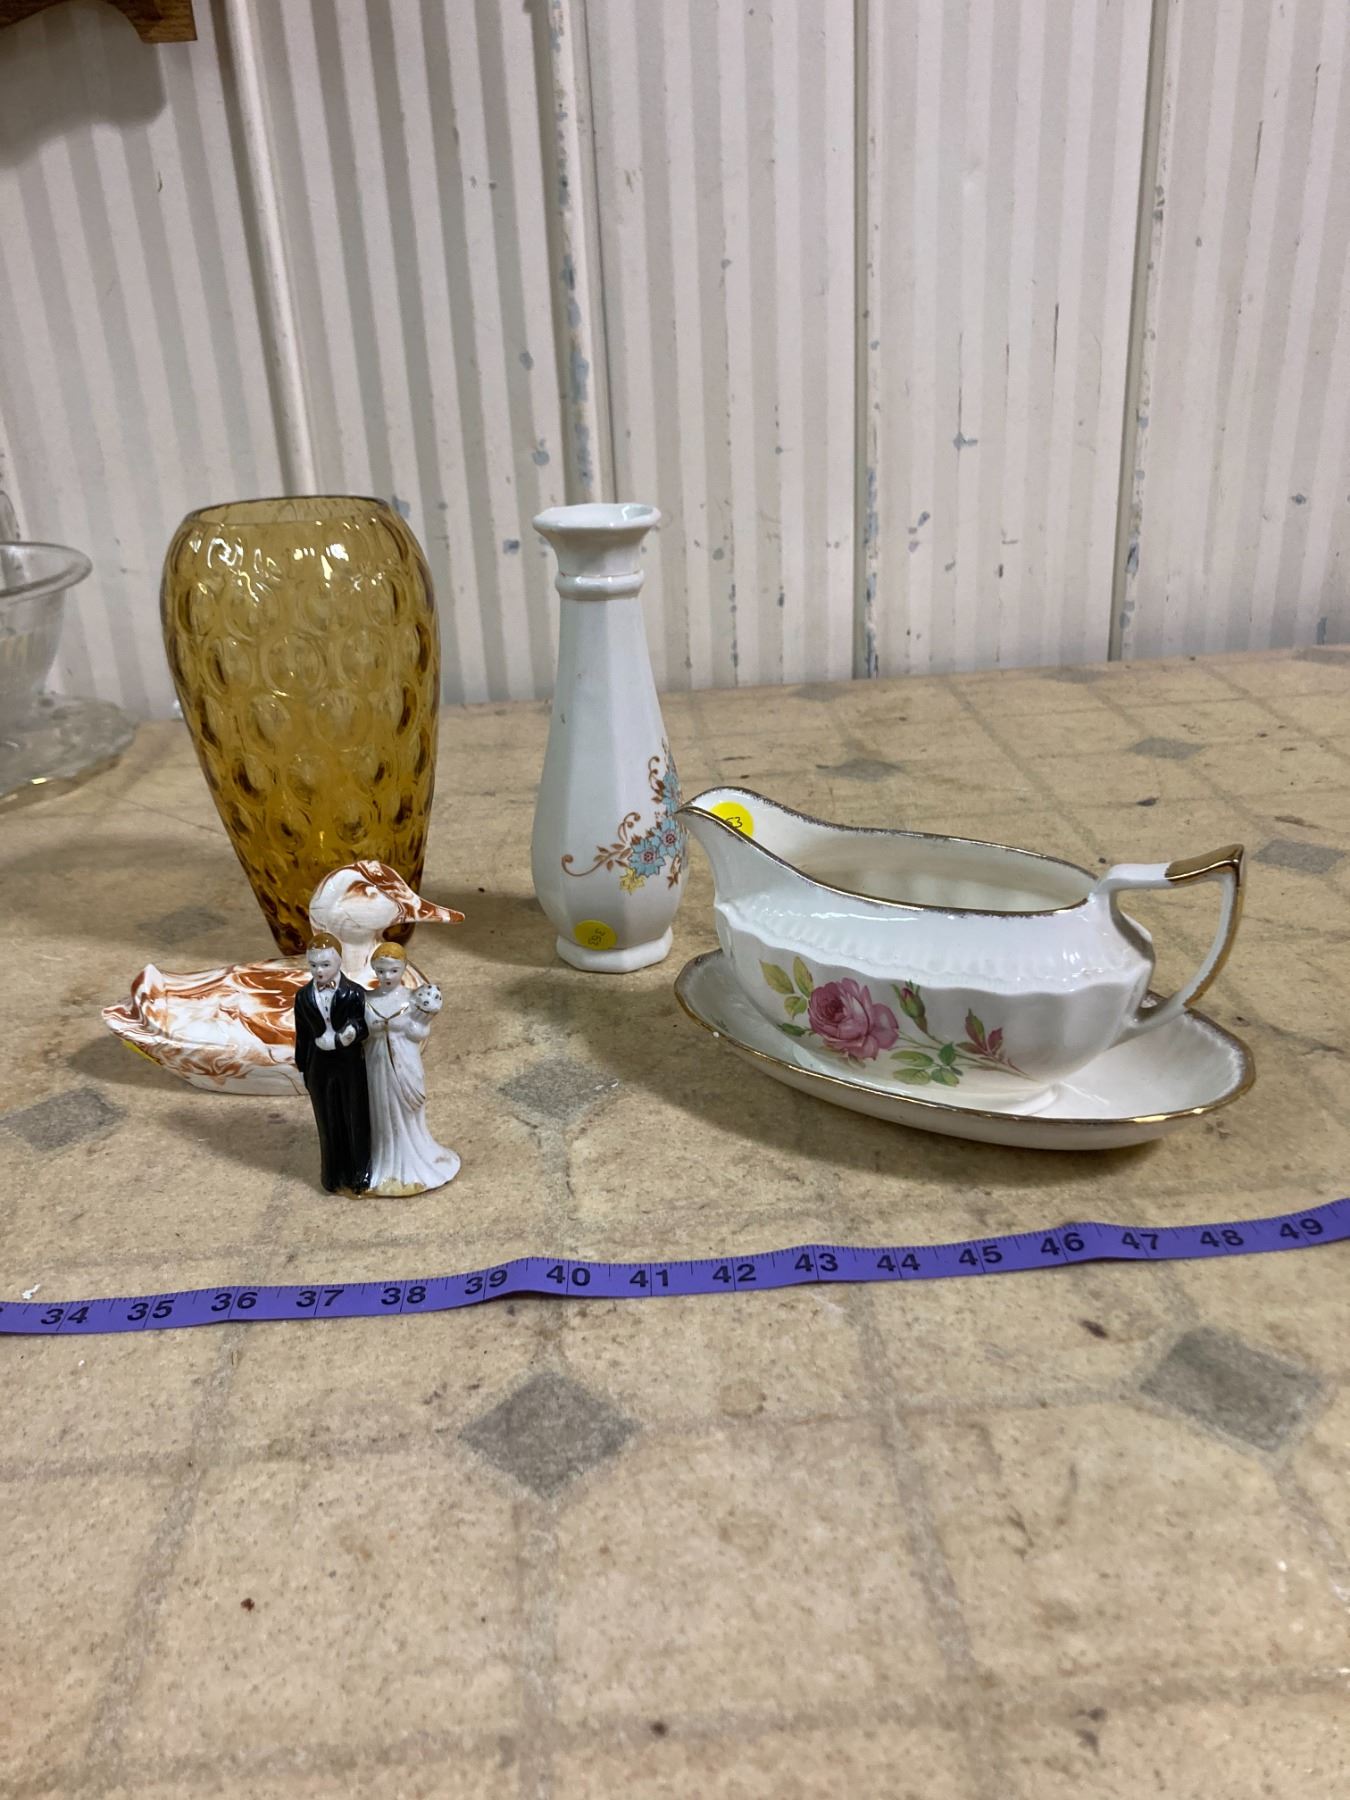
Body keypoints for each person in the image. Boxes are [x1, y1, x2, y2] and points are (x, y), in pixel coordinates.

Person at [363, 942, 460, 1196]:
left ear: (403, 968)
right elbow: (361, 1034)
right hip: (377, 1064)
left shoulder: (414, 999)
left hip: (405, 1064)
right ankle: (386, 1161)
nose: (387, 976)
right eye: (381, 970)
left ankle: (416, 1158)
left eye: (393, 970)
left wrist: (420, 1022)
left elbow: (419, 1034)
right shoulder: (367, 1000)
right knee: (382, 1108)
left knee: (408, 1108)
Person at [292, 932, 371, 1194]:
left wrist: (351, 1033)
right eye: (313, 965)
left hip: (350, 1064)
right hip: (319, 1065)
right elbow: (302, 1036)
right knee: (326, 1119)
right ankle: (332, 1173)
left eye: (325, 964)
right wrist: (302, 1067)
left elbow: (365, 1026)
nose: (319, 971)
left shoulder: (354, 993)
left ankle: (360, 1172)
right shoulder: (303, 997)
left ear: (339, 962)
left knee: (355, 1115)